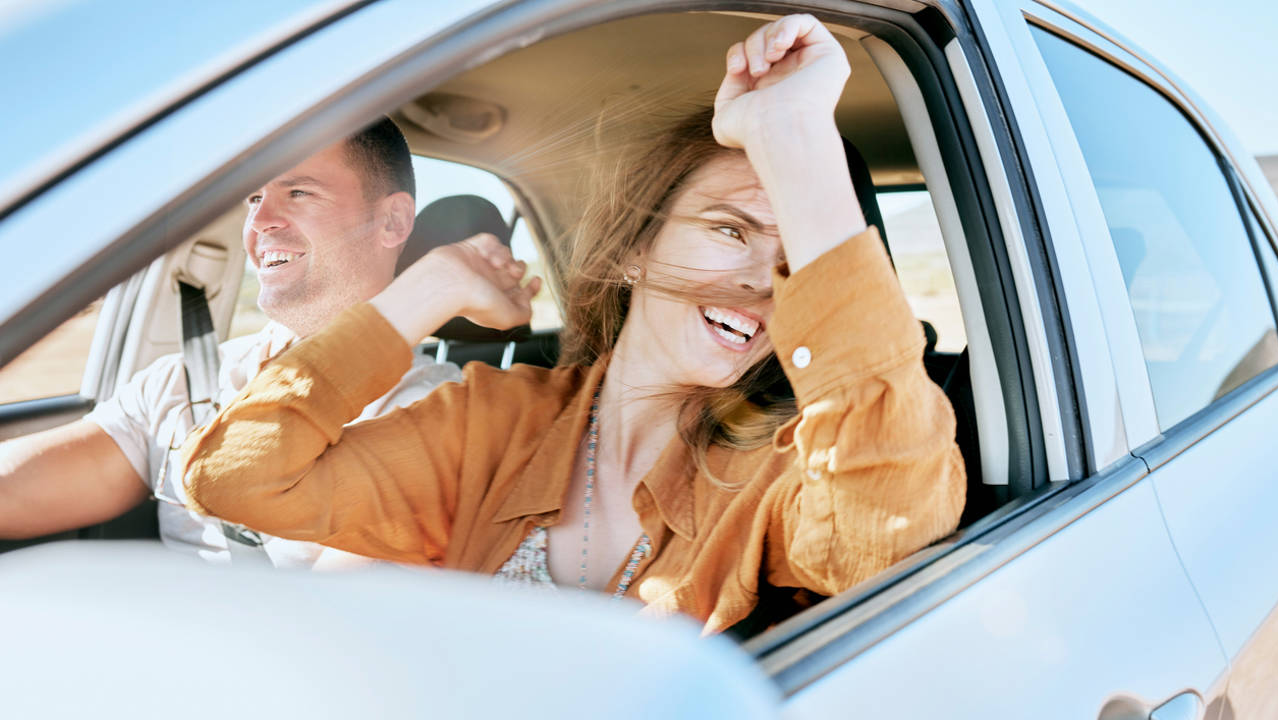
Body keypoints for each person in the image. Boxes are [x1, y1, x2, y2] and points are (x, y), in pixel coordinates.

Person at [181, 15, 965, 631]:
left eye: (793, 258)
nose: (764, 283)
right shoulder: (489, 422)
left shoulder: (777, 470)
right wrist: (430, 288)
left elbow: (883, 530)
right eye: (730, 230)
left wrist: (795, 138)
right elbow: (237, 479)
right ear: (633, 248)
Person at [0, 118, 462, 568]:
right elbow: (13, 491)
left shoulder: (435, 414)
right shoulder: (182, 383)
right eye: (254, 197)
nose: (259, 221)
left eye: (298, 192)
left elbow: (320, 627)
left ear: (392, 221)